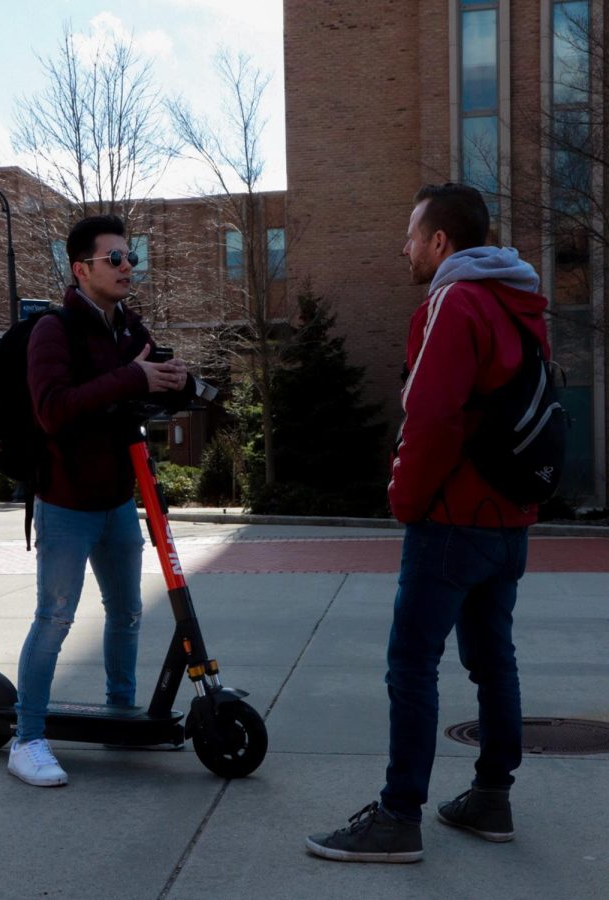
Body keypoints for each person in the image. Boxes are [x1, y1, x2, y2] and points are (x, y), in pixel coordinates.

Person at [306, 183, 550, 862]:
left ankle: (398, 816)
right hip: (511, 517)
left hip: (451, 518)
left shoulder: (455, 300)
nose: (405, 247)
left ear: (441, 242)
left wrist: (405, 501)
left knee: (412, 664)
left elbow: (432, 416)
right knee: (492, 658)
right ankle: (491, 797)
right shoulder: (522, 303)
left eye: (412, 235)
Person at [8, 214, 195, 787]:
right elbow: (55, 410)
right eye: (114, 258)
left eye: (130, 257)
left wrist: (177, 379)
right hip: (65, 501)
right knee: (55, 618)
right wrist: (134, 378)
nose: (126, 267)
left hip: (117, 499)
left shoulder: (128, 329)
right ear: (80, 268)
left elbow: (145, 385)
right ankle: (28, 739)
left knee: (128, 614)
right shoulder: (53, 331)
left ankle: (121, 715)